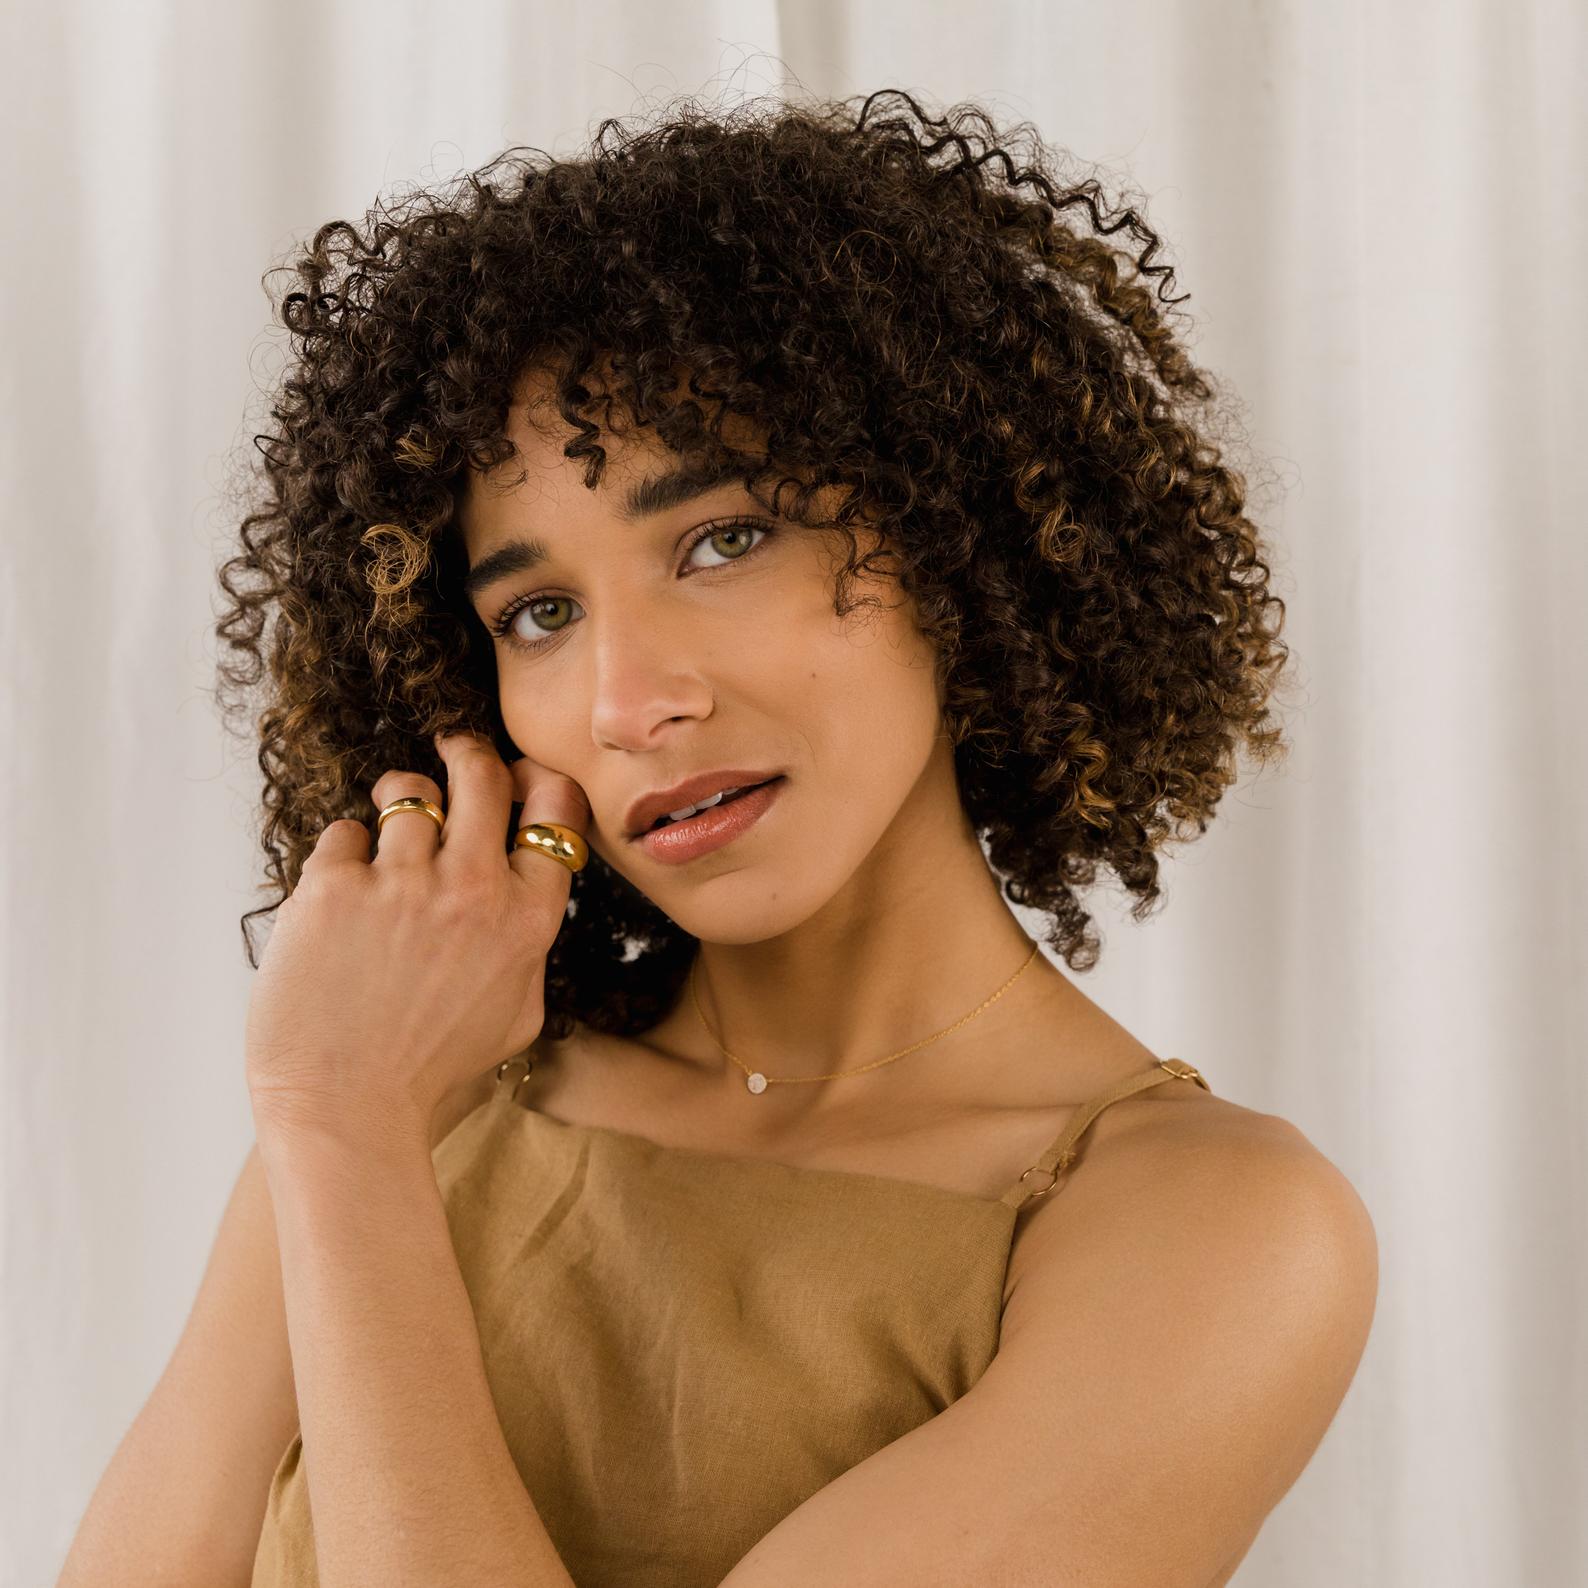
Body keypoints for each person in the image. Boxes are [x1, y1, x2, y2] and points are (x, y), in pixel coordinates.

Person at [60, 88, 1377, 1588]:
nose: (630, 702)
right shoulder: (417, 1089)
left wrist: (345, 1138)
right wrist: (336, 1121)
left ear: (959, 535)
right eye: (538, 615)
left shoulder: (1210, 1231)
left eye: (724, 540)